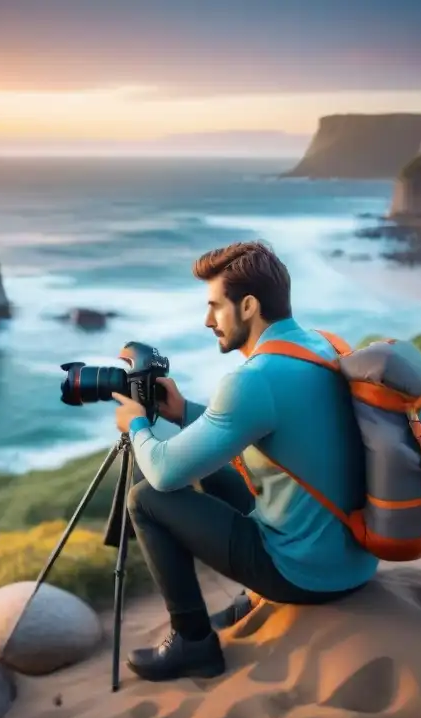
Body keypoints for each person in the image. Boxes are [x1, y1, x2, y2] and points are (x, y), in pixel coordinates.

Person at [110, 240, 378, 682]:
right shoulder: (325, 346)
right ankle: (247, 600)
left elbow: (161, 472)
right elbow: (269, 430)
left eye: (216, 307)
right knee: (212, 463)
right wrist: (183, 413)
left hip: (307, 575)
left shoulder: (253, 380)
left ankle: (193, 642)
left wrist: (137, 423)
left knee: (146, 499)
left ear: (249, 306)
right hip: (354, 557)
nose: (207, 320)